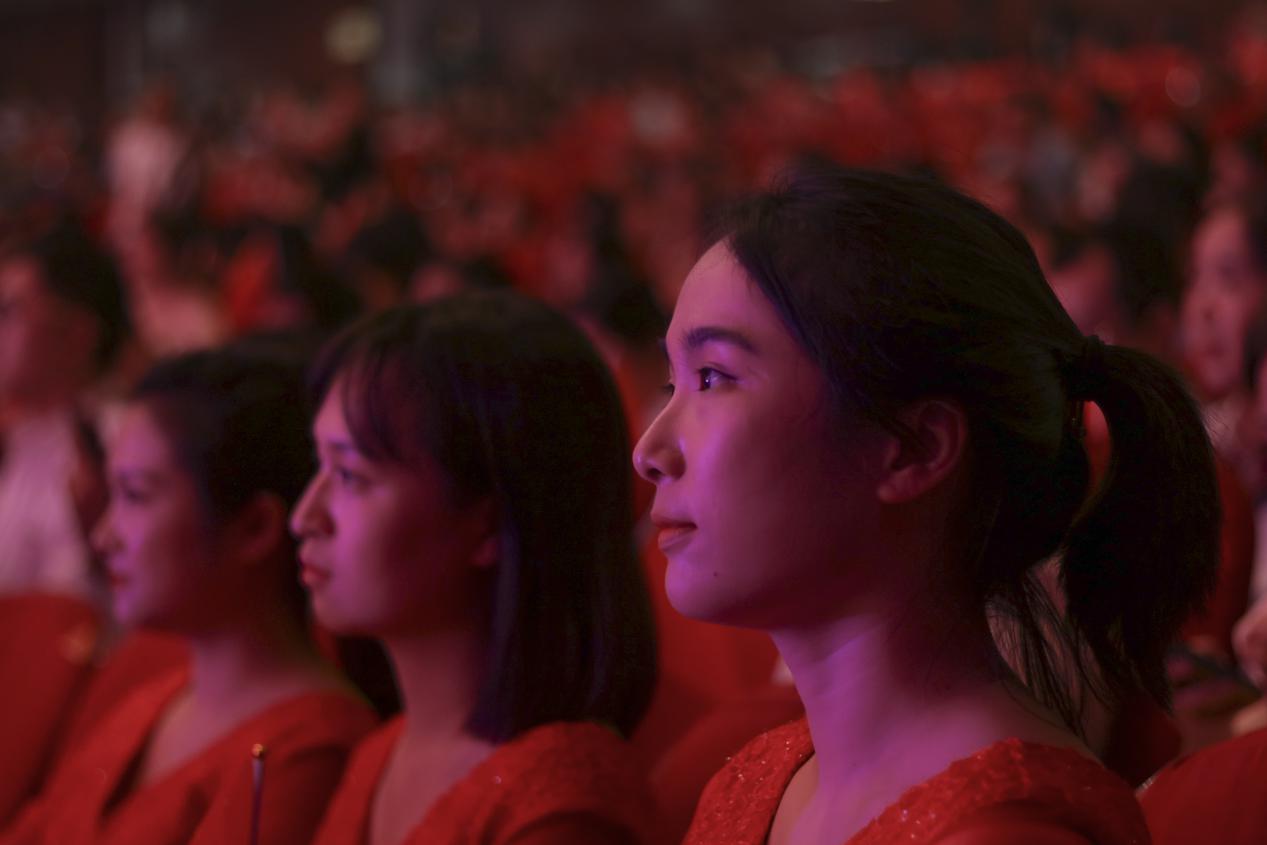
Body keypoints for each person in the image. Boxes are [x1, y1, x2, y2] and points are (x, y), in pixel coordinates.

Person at [634, 164, 1218, 844]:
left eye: (712, 377)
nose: (649, 450)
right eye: (672, 382)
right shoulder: (758, 782)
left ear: (913, 448)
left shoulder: (1005, 834)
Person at [294, 292, 659, 845]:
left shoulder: (559, 808)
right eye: (318, 465)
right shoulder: (379, 753)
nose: (305, 516)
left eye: (350, 476)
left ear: (489, 523)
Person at [1, 344, 376, 845]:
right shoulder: (150, 700)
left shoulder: (305, 753)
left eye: (135, 495)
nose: (105, 536)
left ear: (254, 528)